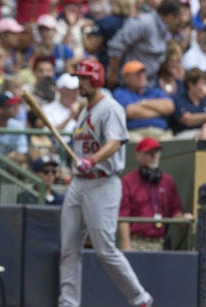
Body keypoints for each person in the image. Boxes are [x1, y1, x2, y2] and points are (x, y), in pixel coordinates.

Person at [59, 58, 153, 307]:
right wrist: (79, 167)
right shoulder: (84, 109)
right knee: (68, 249)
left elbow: (115, 142)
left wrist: (91, 161)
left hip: (103, 181)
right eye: (78, 78)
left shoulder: (110, 107)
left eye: (84, 78)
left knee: (104, 249)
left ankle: (139, 298)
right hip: (80, 183)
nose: (80, 83)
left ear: (96, 79)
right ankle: (68, 303)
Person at [119, 137, 194, 251]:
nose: (154, 156)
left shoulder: (167, 181)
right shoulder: (128, 181)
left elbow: (175, 211)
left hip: (160, 242)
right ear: (138, 155)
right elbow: (123, 216)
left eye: (157, 152)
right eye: (149, 153)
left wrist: (183, 219)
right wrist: (126, 245)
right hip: (135, 242)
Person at [107, 0, 182, 88]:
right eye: (178, 18)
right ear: (170, 16)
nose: (180, 22)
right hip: (130, 84)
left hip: (150, 83)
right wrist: (113, 73)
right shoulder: (144, 22)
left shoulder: (165, 29)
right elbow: (117, 45)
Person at [113, 60, 175, 142]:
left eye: (143, 73)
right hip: (136, 132)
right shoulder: (121, 92)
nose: (141, 76)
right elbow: (130, 112)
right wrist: (159, 112)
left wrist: (143, 103)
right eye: (137, 74)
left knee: (171, 142)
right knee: (137, 143)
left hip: (160, 132)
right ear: (126, 78)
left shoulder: (154, 91)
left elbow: (170, 107)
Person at [169, 68, 206, 140]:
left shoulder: (205, 100)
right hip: (183, 134)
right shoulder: (180, 99)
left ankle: (205, 138)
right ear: (191, 84)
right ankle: (205, 138)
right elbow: (187, 120)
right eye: (202, 83)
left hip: (204, 131)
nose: (205, 88)